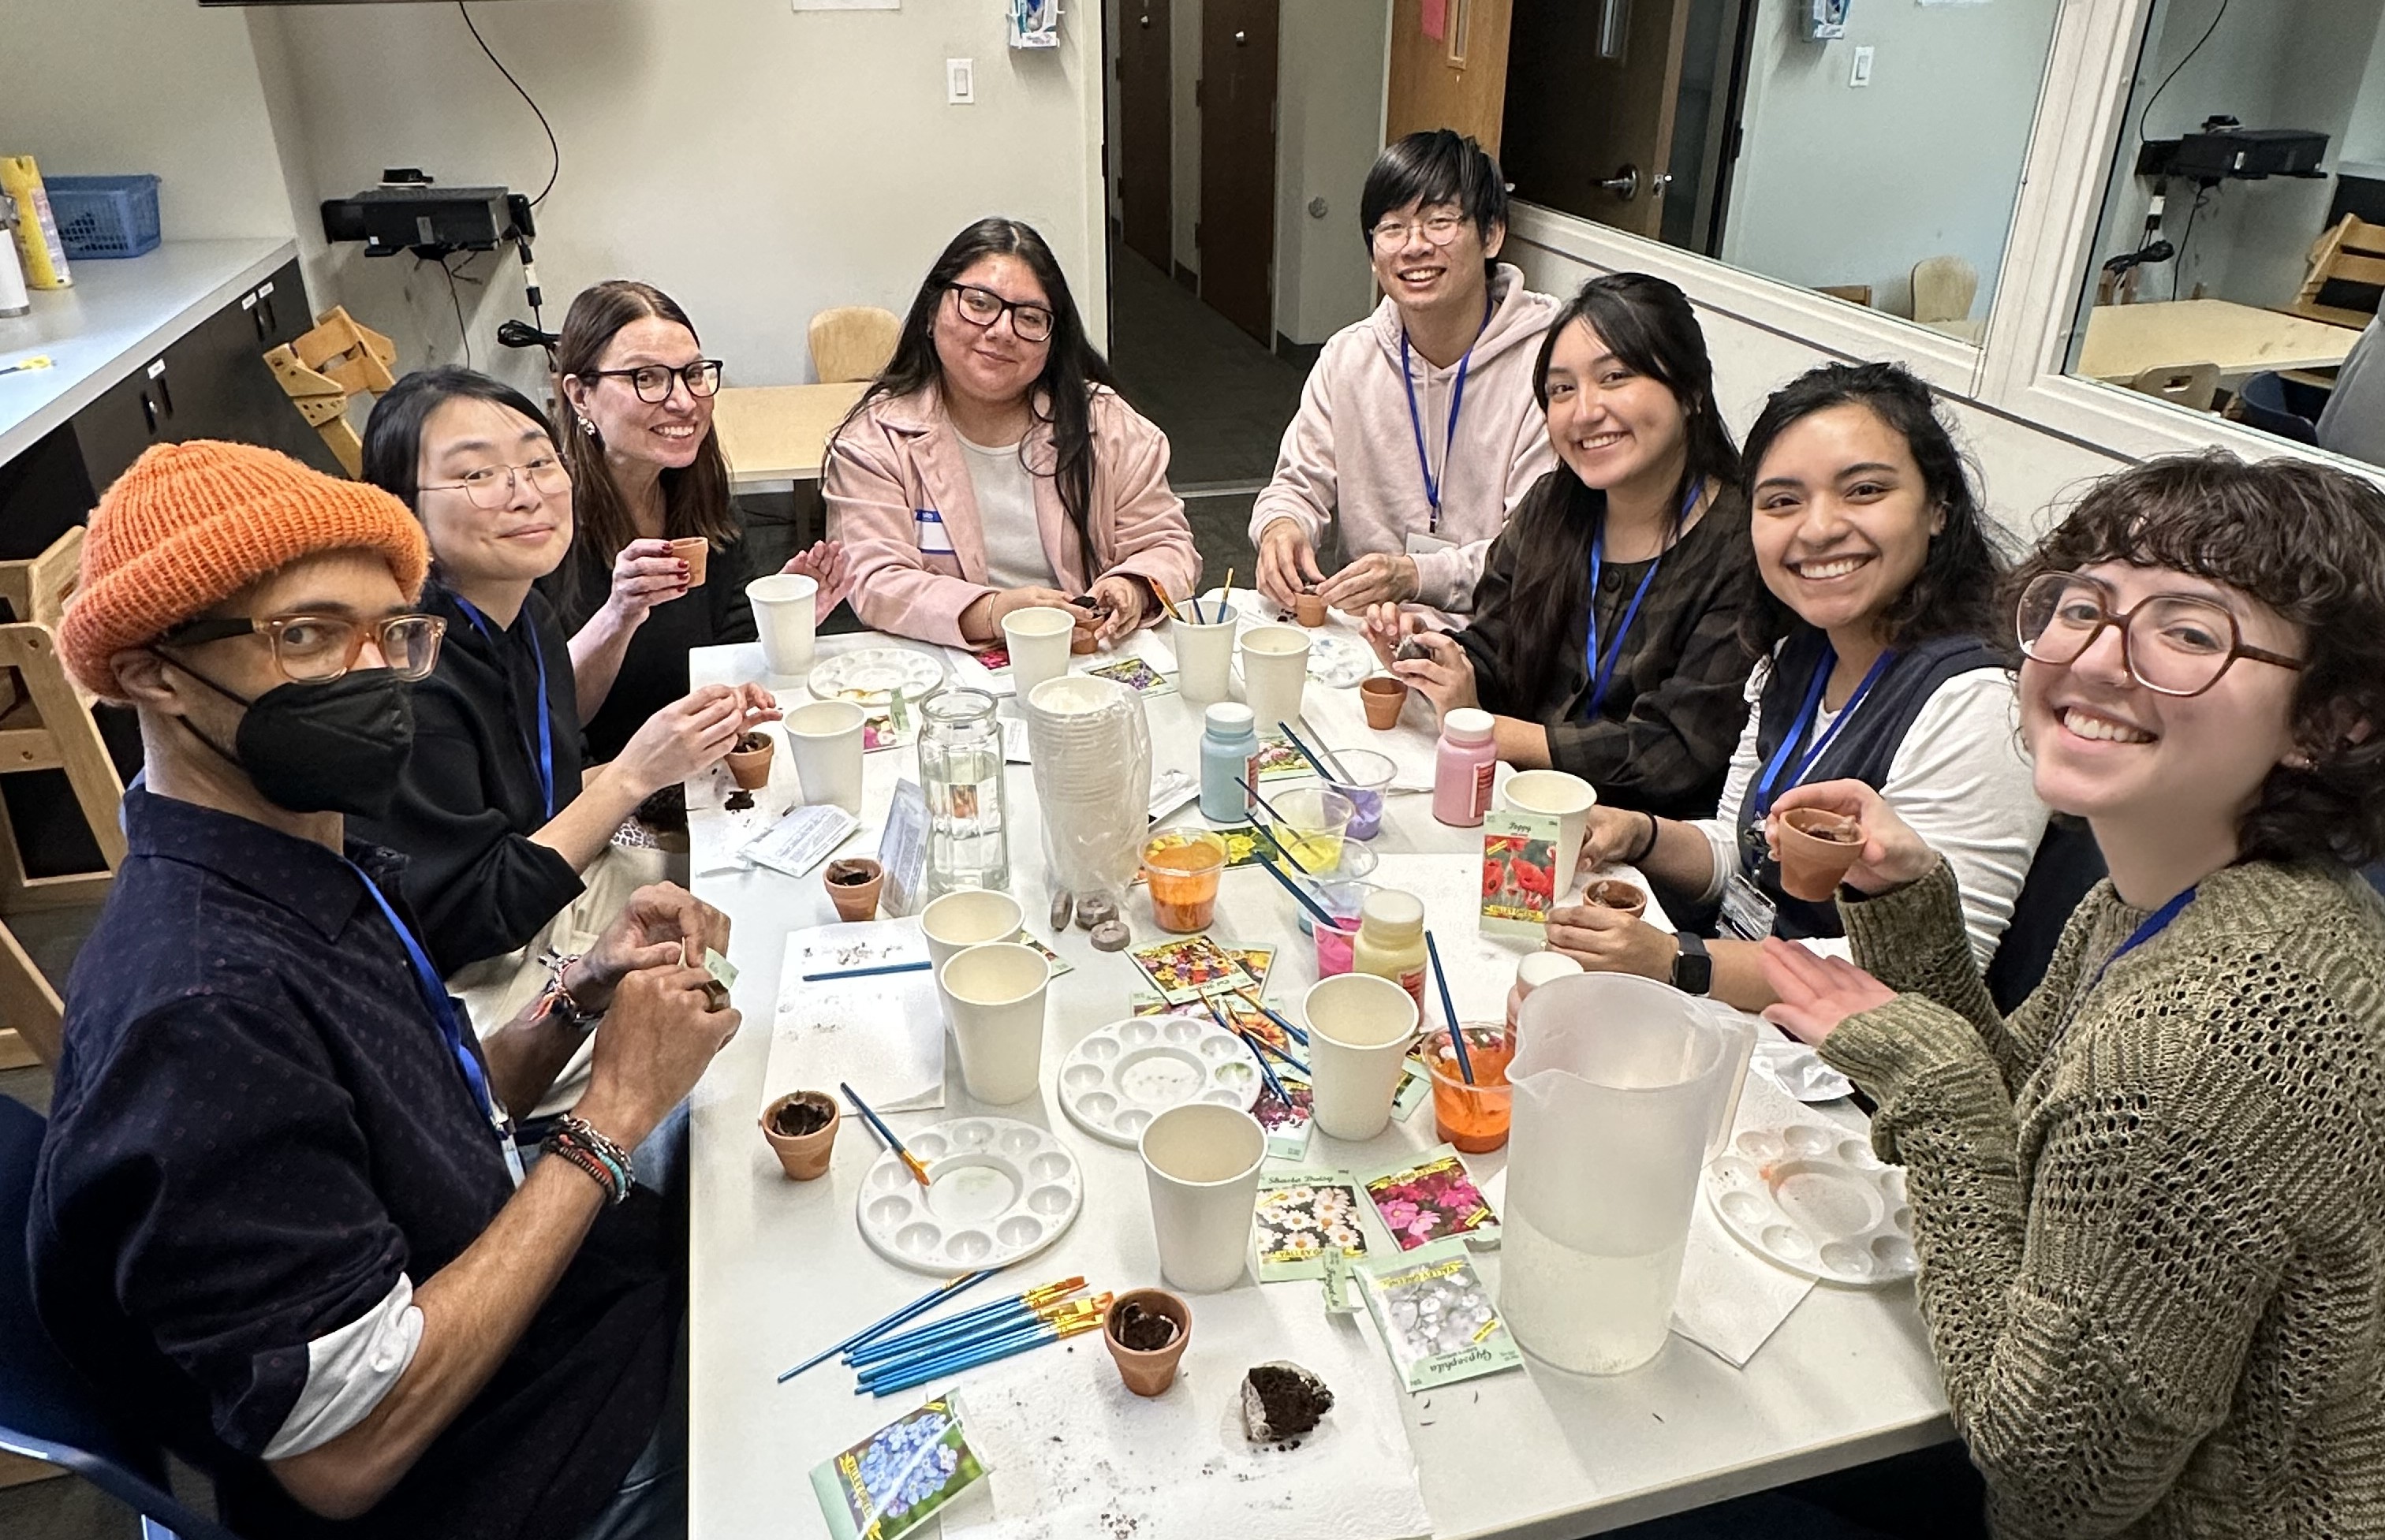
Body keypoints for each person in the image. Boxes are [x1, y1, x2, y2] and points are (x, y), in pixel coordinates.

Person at [33, 438, 741, 1539]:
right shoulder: (203, 1008)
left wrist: (580, 996)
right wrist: (611, 1118)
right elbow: (346, 1448)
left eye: (393, 635)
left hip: (517, 1301)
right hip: (498, 1471)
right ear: (148, 669)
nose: (372, 678)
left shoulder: (295, 858)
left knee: (773, 1118)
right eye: (307, 637)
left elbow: (424, 1123)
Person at [1758, 453, 2385, 1535]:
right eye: (2082, 608)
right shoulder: (2176, 895)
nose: (2096, 658)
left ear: (2332, 722)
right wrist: (1911, 903)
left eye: (2188, 632)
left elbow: (2053, 1481)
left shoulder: (2206, 1041)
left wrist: (1934, 1083)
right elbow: (2040, 1125)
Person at [1546, 362, 2045, 1011]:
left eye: (1863, 491)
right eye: (1782, 501)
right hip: (1745, 1017)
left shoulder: (1980, 700)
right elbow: (1744, 849)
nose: (1817, 529)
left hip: (1849, 1077)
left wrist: (1674, 960)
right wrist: (1642, 833)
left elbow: (1926, 976)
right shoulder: (1795, 655)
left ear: (1938, 508)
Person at [356, 368, 771, 1109]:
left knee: (760, 884)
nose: (525, 491)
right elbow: (477, 916)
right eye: (477, 473)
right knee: (740, 1044)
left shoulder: (523, 614)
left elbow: (533, 798)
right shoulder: (406, 676)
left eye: (538, 461)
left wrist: (685, 742)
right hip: (481, 990)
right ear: (398, 511)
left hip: (554, 910)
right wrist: (631, 775)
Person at [1361, 273, 1764, 818]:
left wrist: (1489, 730)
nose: (1584, 411)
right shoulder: (1555, 504)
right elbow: (1495, 645)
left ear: (1691, 390)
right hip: (1516, 804)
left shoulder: (1744, 543)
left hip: (1639, 849)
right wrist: (1438, 658)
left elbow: (1672, 751)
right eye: (1561, 389)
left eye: (1615, 376)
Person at [824, 217, 1201, 648]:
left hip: (1084, 662)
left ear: (1051, 340)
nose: (1002, 332)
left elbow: (1168, 544)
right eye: (980, 304)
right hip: (945, 670)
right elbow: (876, 580)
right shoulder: (876, 439)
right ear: (932, 313)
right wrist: (993, 612)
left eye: (1029, 317)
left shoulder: (1105, 424)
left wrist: (1133, 587)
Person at [1251, 129, 1558, 625]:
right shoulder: (1349, 357)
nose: (1414, 247)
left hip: (1494, 632)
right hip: (1366, 631)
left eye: (1440, 223)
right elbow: (1297, 484)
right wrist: (1280, 527)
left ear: (1492, 234)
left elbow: (1536, 550)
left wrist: (1417, 575)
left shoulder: (1547, 368)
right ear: (1373, 252)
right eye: (1392, 228)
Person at [550, 279, 853, 762]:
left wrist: (784, 619)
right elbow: (549, 717)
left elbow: (724, 658)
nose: (685, 401)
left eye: (692, 373)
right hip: (603, 781)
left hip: (698, 763)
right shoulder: (543, 520)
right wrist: (619, 613)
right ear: (580, 396)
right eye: (646, 378)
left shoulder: (699, 494)